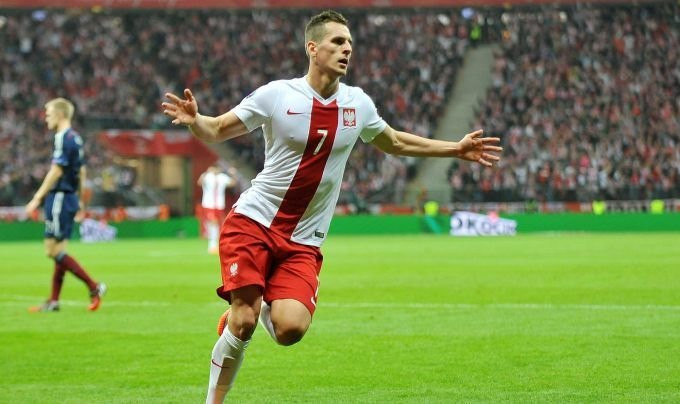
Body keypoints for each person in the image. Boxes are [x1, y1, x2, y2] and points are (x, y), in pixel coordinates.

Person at [162, 10, 502, 402]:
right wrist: (196, 120)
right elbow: (219, 128)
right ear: (313, 48)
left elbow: (394, 141)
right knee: (243, 322)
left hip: (303, 240)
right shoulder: (277, 95)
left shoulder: (358, 104)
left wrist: (455, 149)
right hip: (254, 222)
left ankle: (253, 306)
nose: (346, 50)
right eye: (338, 42)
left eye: (350, 44)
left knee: (290, 329)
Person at [25, 97, 107, 312]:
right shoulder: (76, 138)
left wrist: (37, 197)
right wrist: (79, 200)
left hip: (60, 197)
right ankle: (54, 301)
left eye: (48, 114)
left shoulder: (62, 137)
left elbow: (56, 170)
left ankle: (94, 287)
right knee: (59, 250)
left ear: (60, 114)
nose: (46, 118)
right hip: (69, 197)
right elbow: (82, 171)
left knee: (51, 250)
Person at [198, 165, 237, 254]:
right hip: (209, 204)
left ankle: (216, 244)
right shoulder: (207, 176)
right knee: (213, 222)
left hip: (219, 205)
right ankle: (212, 245)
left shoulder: (222, 177)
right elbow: (200, 182)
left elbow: (233, 183)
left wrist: (233, 174)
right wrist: (207, 172)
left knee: (218, 224)